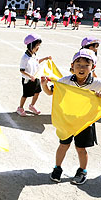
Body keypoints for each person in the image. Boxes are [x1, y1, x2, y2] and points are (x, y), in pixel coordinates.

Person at [41, 49, 99, 185]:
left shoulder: (97, 84)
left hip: (85, 122)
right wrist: (44, 85)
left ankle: (82, 171)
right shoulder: (65, 81)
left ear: (93, 67)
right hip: (67, 120)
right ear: (72, 66)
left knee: (81, 149)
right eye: (78, 64)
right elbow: (50, 92)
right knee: (63, 145)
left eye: (86, 64)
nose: (81, 68)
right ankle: (57, 168)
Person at [17, 33, 51, 116]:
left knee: (37, 92)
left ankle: (32, 105)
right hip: (27, 79)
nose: (38, 47)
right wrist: (30, 76)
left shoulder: (33, 55)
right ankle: (20, 108)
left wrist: (45, 58)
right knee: (25, 95)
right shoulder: (25, 57)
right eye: (37, 45)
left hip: (36, 77)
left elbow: (37, 61)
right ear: (31, 45)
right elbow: (22, 70)